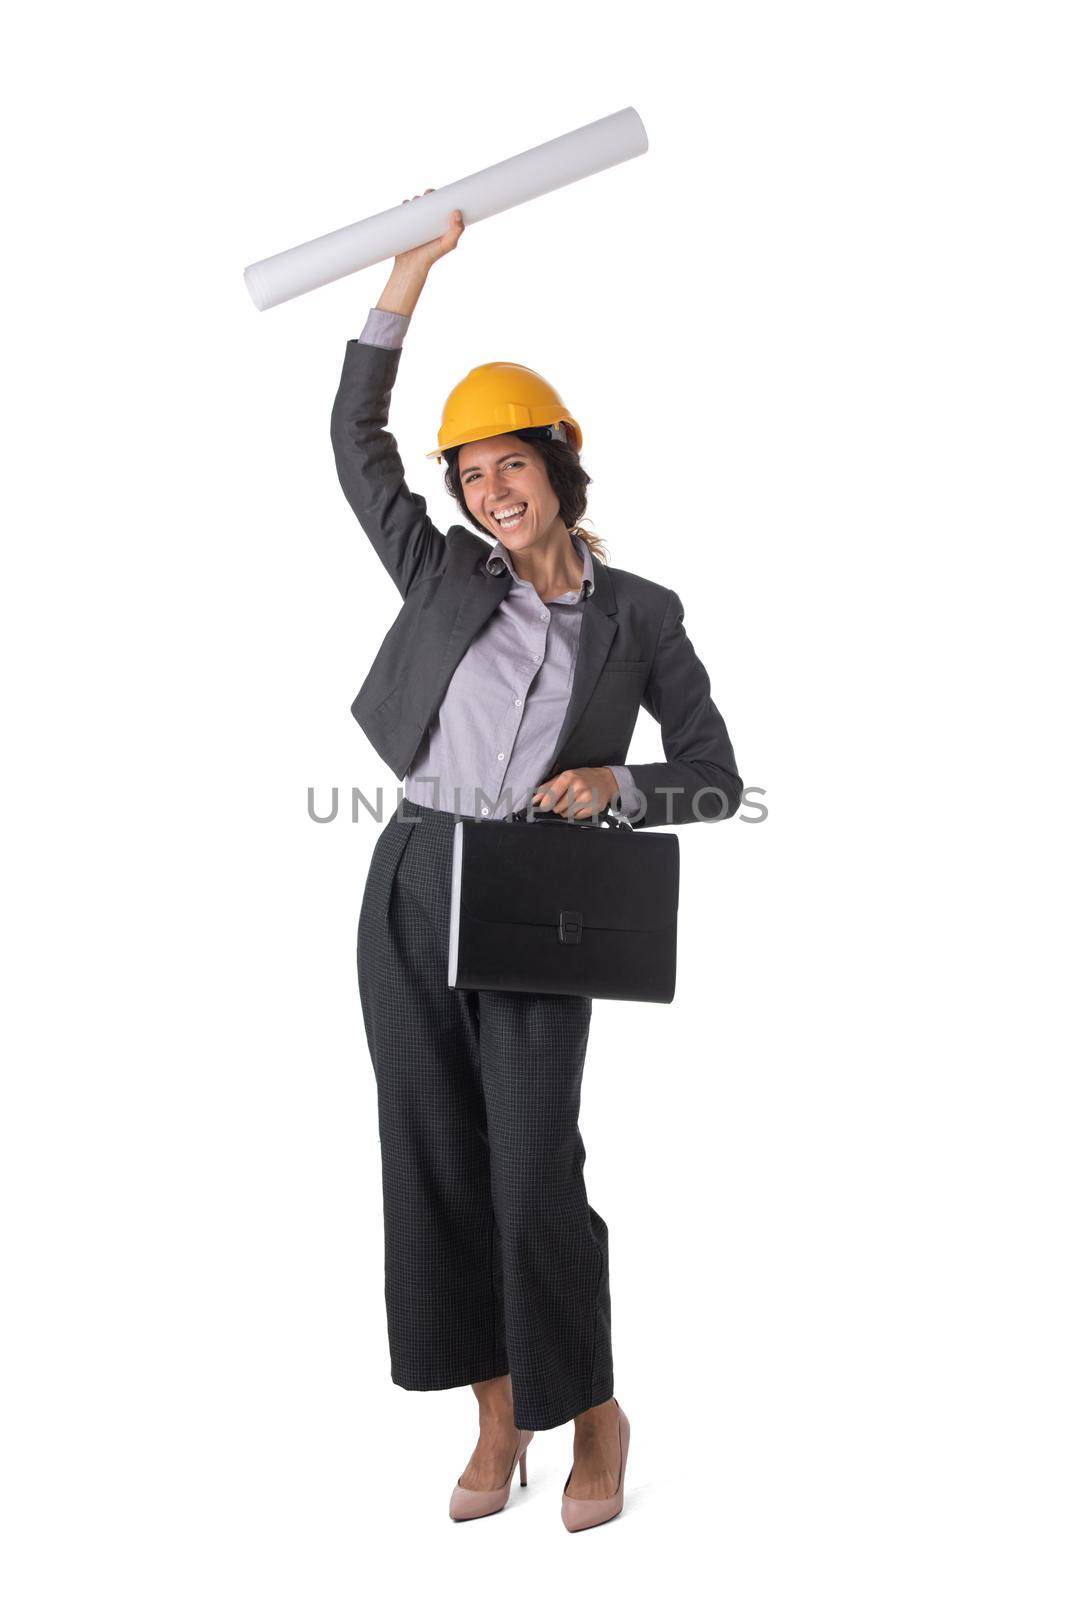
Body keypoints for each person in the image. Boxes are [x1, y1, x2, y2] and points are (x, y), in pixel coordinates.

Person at [330, 191, 743, 1530]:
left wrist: (615, 785)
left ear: (560, 466)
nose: (486, 491)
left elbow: (715, 774)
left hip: (535, 900)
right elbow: (355, 441)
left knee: (531, 1166)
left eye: (510, 465)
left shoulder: (639, 615)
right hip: (408, 879)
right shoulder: (445, 576)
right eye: (469, 473)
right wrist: (407, 280)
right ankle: (496, 1411)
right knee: (431, 1150)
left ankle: (595, 1414)